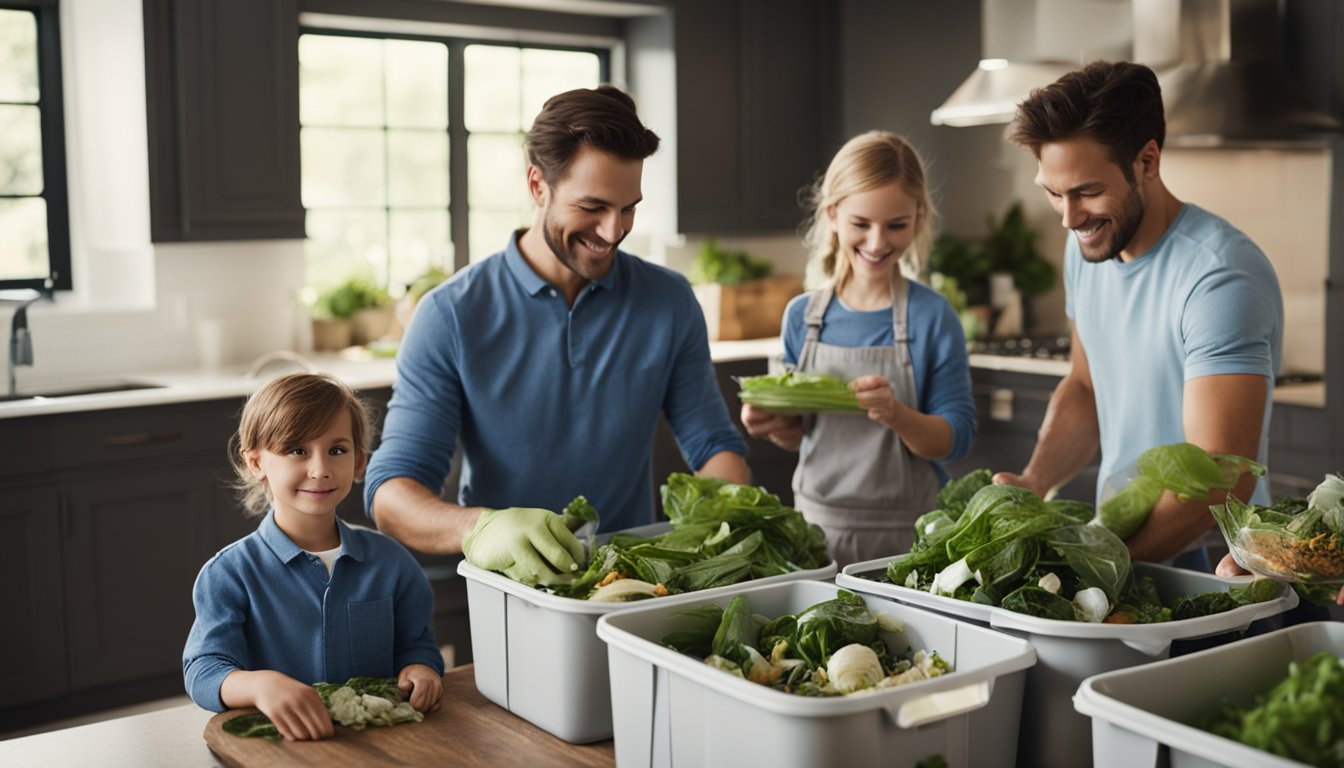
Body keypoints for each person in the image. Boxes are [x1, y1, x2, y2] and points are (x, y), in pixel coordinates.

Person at [365, 85, 750, 585]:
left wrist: (710, 531)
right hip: (506, 591)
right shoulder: (451, 315)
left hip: (636, 586)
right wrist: (483, 528)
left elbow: (715, 446)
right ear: (537, 186)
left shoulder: (669, 302)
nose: (612, 231)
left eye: (628, 208)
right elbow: (392, 496)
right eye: (592, 206)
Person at [992, 60, 1284, 570]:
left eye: (1086, 191)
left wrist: (1104, 567)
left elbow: (1220, 478)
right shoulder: (1089, 247)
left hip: (1215, 561)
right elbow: (1085, 387)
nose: (1069, 217)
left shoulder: (1219, 274)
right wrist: (1035, 480)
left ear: (1147, 161)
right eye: (1053, 193)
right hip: (1128, 545)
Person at [740, 131, 977, 568]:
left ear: (919, 217)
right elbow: (805, 435)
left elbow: (955, 440)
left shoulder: (932, 317)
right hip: (815, 528)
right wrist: (774, 422)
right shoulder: (802, 317)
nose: (876, 242)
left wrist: (896, 414)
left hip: (909, 537)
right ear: (833, 214)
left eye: (896, 225)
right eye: (861, 224)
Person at [183, 373, 444, 740]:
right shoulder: (228, 574)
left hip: (379, 746)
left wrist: (421, 669)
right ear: (257, 462)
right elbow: (204, 670)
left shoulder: (392, 563)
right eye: (297, 450)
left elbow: (417, 644)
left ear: (359, 462)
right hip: (280, 749)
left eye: (336, 450)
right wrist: (261, 686)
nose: (320, 469)